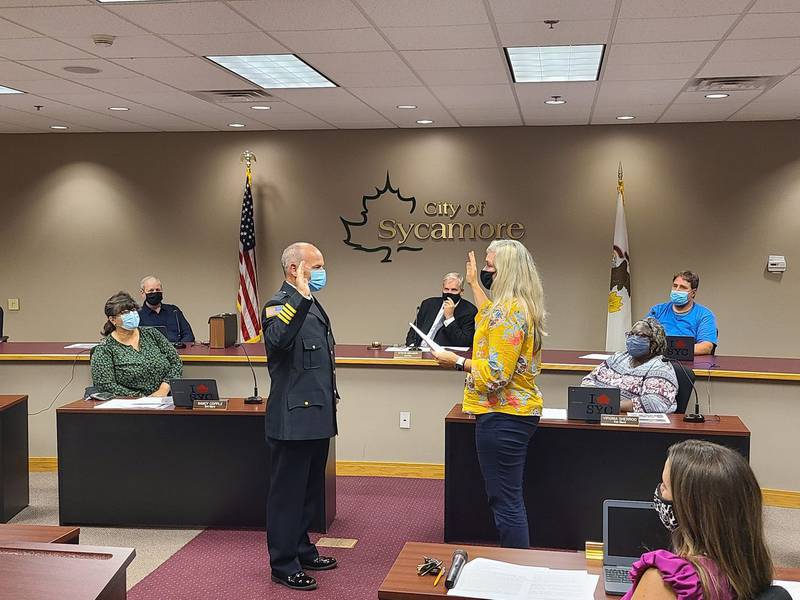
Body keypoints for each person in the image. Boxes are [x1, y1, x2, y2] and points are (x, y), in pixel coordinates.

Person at [433, 240, 546, 548]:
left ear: (506, 272)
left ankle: (516, 572)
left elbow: (496, 374)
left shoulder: (510, 312)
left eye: (490, 267)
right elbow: (489, 318)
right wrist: (472, 284)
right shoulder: (512, 307)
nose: (485, 270)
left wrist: (455, 361)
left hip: (504, 416)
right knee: (507, 498)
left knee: (505, 502)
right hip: (512, 414)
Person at [261, 242, 338, 591]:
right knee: (287, 494)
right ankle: (283, 563)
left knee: (309, 491)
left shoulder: (311, 303)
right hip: (292, 417)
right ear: (295, 269)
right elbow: (277, 342)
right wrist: (301, 298)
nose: (322, 271)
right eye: (316, 265)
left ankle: (303, 548)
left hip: (317, 415)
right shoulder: (278, 305)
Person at [624, 439, 774, 600]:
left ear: (690, 508)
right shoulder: (750, 568)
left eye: (665, 486)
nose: (659, 489)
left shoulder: (667, 580)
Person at [91, 291, 183, 397]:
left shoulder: (151, 333)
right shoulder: (105, 348)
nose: (132, 314)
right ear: (112, 319)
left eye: (133, 310)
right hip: (130, 404)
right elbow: (105, 385)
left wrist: (164, 389)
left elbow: (176, 362)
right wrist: (141, 398)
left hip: (166, 398)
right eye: (125, 312)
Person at [582, 317, 678, 413]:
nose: (632, 338)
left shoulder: (661, 367)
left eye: (639, 335)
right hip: (599, 411)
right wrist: (593, 400)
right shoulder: (618, 357)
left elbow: (656, 403)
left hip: (634, 422)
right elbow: (589, 379)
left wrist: (612, 405)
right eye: (631, 334)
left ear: (653, 344)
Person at [647, 271, 717, 356]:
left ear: (693, 292)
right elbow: (643, 338)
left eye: (683, 287)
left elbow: (706, 347)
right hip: (658, 362)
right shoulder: (657, 310)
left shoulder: (704, 315)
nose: (677, 290)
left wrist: (669, 350)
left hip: (687, 364)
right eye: (675, 286)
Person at [405, 272, 478, 348]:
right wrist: (412, 347)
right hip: (420, 351)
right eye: (446, 289)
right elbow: (414, 331)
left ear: (461, 292)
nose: (449, 292)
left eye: (454, 290)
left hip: (444, 355)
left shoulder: (469, 311)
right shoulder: (428, 304)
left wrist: (450, 318)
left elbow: (464, 342)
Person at [137, 275, 195, 343]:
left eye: (158, 290)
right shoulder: (137, 315)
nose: (155, 292)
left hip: (177, 351)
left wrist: (178, 347)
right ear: (142, 293)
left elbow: (189, 335)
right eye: (151, 290)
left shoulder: (174, 311)